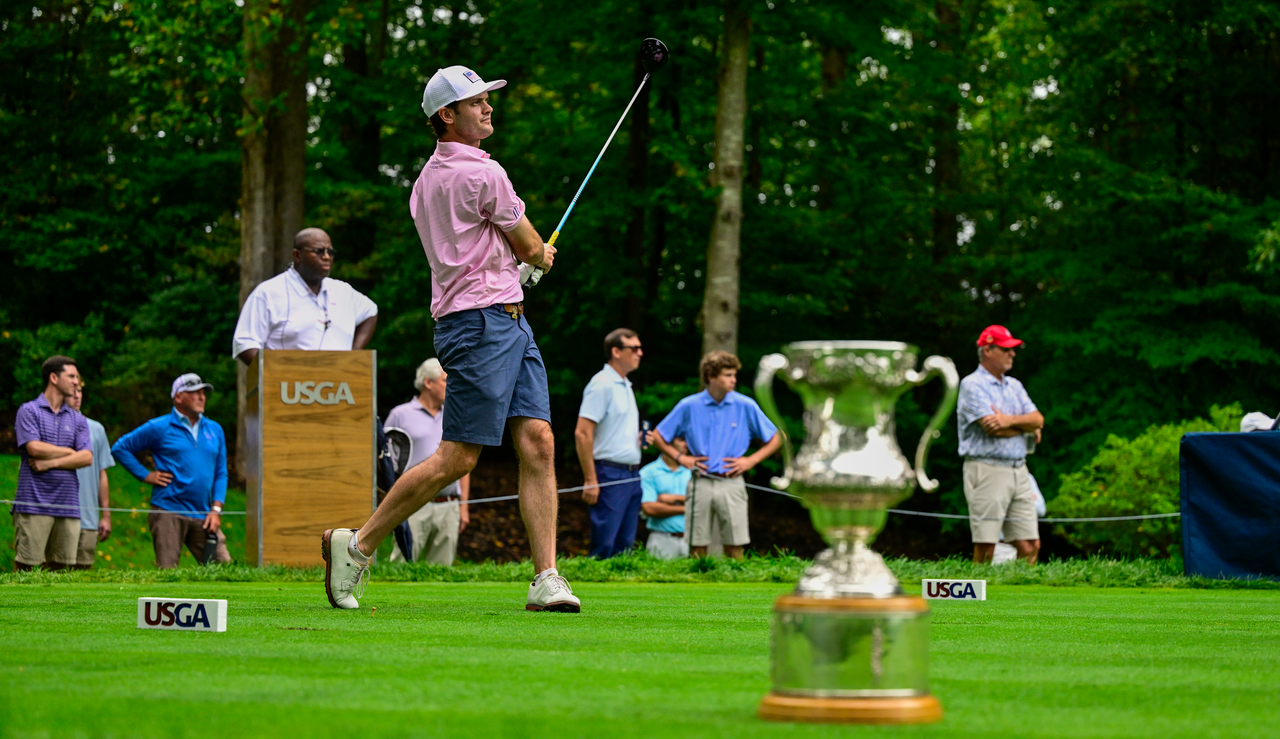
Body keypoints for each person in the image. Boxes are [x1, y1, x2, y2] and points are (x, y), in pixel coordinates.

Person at [321, 64, 576, 613]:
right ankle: (359, 545)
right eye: (476, 102)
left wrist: (517, 261)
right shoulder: (484, 174)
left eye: (488, 100)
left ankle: (546, 577)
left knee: (538, 441)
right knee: (459, 456)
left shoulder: (424, 183)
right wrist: (538, 257)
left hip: (502, 319)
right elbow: (530, 245)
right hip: (482, 322)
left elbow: (481, 245)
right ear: (446, 114)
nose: (488, 108)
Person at [651, 351, 782, 559]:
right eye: (728, 375)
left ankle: (738, 586)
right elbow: (657, 436)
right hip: (700, 481)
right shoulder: (689, 406)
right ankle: (697, 583)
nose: (734, 380)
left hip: (732, 481)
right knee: (697, 544)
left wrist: (751, 460)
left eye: (734, 375)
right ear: (711, 376)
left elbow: (776, 438)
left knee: (735, 544)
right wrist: (681, 458)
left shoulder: (745, 405)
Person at [112, 374, 231, 569]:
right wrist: (145, 475)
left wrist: (216, 509)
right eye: (195, 393)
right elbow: (120, 447)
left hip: (204, 515)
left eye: (203, 393)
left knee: (224, 569)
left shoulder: (215, 429)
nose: (202, 397)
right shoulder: (158, 427)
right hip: (168, 511)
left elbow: (220, 472)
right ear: (178, 397)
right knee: (168, 573)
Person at [958, 325, 1045, 565]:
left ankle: (1024, 598)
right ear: (987, 350)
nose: (1012, 354)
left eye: (1013, 349)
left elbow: (1038, 420)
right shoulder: (971, 385)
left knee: (1030, 544)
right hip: (987, 468)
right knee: (986, 545)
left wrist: (1007, 419)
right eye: (1006, 349)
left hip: (1019, 470)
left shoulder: (1014, 385)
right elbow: (992, 428)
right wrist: (1025, 427)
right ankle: (979, 601)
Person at [232, 228, 379, 364]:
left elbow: (370, 311)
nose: (327, 257)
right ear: (297, 255)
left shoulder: (343, 291)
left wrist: (354, 354)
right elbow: (244, 343)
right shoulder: (268, 293)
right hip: (287, 388)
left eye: (330, 252)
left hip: (341, 387)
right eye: (319, 251)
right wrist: (276, 373)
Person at [383, 359, 471, 565]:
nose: (450, 386)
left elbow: (464, 463)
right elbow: (386, 462)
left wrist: (463, 506)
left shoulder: (455, 416)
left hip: (448, 506)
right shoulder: (400, 415)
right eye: (445, 380)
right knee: (400, 568)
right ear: (428, 383)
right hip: (411, 504)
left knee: (442, 574)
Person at [11, 356, 92, 571]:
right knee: (27, 569)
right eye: (72, 376)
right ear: (54, 378)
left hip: (68, 505)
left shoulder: (78, 419)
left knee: (63, 571)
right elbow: (34, 448)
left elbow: (86, 457)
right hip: (33, 504)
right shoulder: (29, 411)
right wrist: (69, 452)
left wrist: (49, 463)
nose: (76, 381)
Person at [575, 328, 645, 559]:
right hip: (609, 473)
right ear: (616, 351)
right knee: (604, 545)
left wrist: (638, 441)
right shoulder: (601, 383)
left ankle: (620, 594)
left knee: (624, 548)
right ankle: (595, 592)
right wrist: (590, 479)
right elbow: (582, 433)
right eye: (633, 348)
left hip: (632, 474)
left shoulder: (626, 385)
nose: (640, 353)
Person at [66, 387, 115, 570]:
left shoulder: (96, 429)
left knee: (82, 577)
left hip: (88, 519)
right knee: (53, 571)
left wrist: (106, 516)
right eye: (71, 391)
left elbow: (102, 474)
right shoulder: (50, 427)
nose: (77, 395)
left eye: (79, 390)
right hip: (58, 516)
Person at [639, 436, 692, 560]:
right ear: (668, 442)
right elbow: (649, 508)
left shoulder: (694, 470)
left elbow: (704, 503)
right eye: (682, 440)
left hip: (693, 540)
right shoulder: (648, 472)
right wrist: (688, 508)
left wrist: (675, 498)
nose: (687, 444)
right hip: (661, 539)